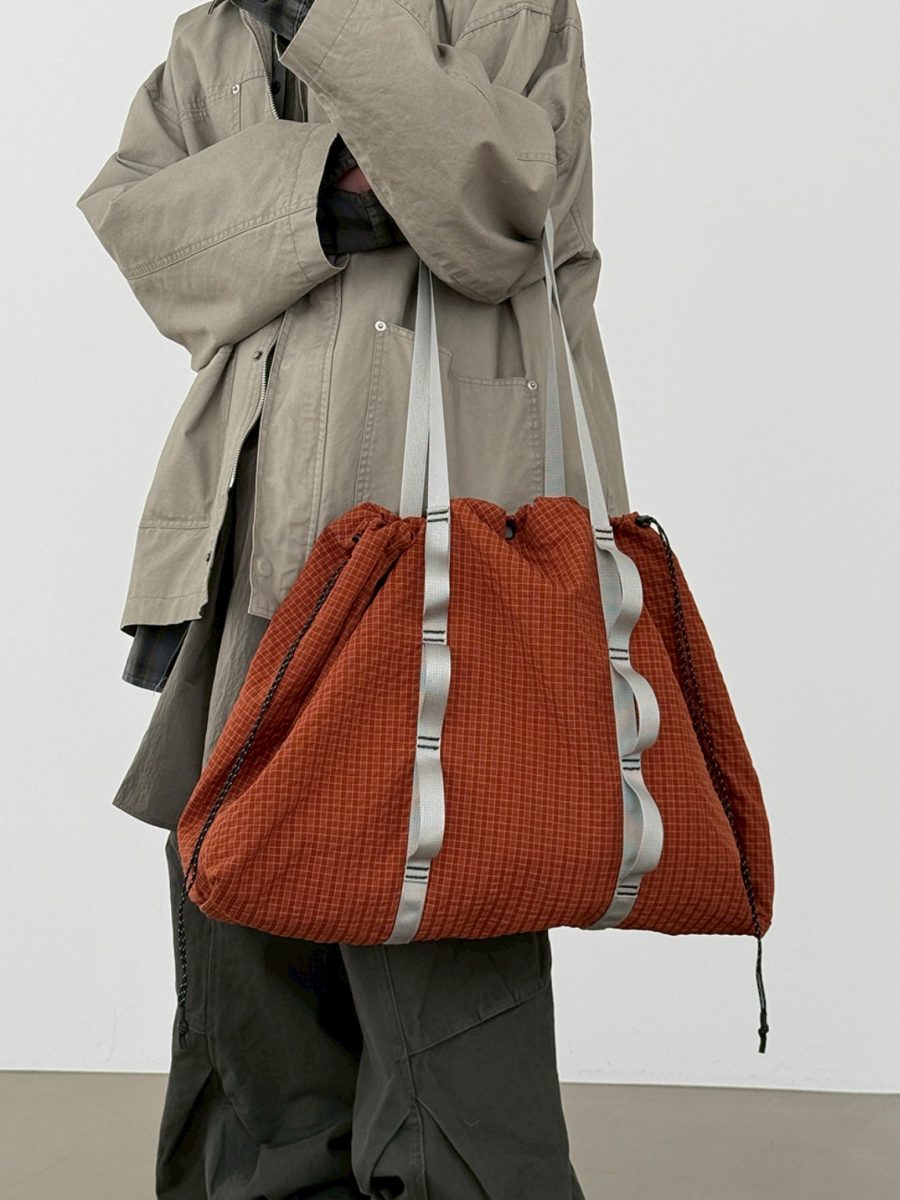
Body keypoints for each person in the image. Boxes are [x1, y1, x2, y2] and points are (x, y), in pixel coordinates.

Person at [75, 1, 632, 1195]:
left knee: (443, 950)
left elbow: (497, 211)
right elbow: (140, 226)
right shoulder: (216, 33)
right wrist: (320, 192)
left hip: (450, 548)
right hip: (253, 544)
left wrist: (329, 48)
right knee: (248, 951)